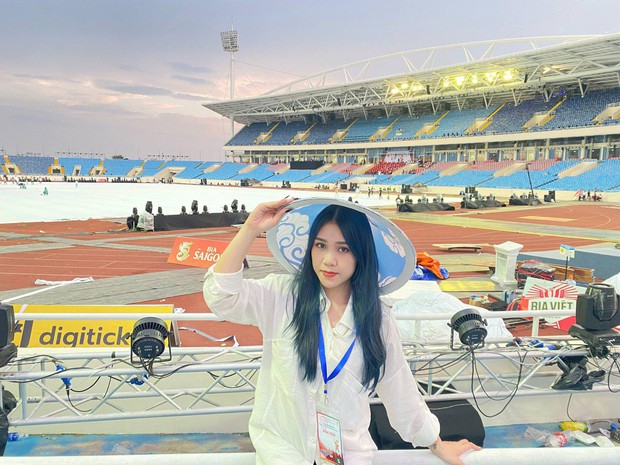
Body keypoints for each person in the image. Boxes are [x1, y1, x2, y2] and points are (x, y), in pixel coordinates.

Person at [203, 197, 479, 465]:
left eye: (343, 249)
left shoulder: (377, 318)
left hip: (348, 455)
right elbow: (222, 297)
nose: (329, 260)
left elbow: (399, 390)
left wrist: (437, 444)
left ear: (361, 254)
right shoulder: (282, 296)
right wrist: (250, 228)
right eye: (321, 245)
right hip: (283, 453)